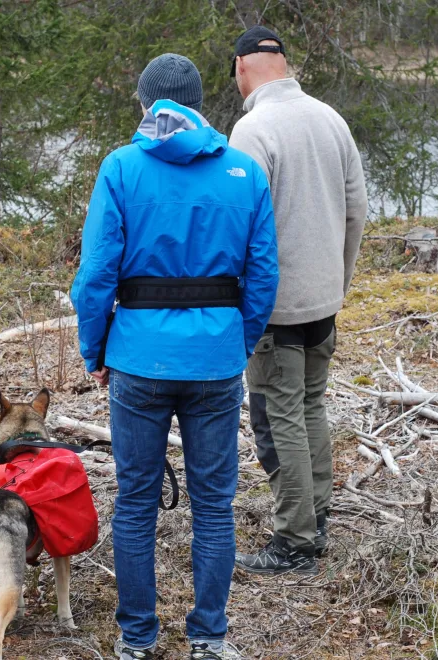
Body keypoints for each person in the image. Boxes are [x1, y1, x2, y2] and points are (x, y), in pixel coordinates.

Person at [71, 53, 279, 660]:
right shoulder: (243, 171)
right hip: (215, 361)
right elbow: (263, 276)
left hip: (137, 359)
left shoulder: (121, 169)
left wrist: (94, 347)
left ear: (146, 104)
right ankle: (208, 640)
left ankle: (137, 641)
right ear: (198, 101)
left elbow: (95, 276)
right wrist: (235, 342)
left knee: (135, 500)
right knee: (214, 504)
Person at [228, 26, 368, 575]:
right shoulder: (330, 119)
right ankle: (317, 515)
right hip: (323, 300)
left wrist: (240, 302)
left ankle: (295, 539)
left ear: (241, 69)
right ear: (283, 64)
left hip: (275, 306)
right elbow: (357, 210)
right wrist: (338, 280)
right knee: (310, 406)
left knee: (278, 414)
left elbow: (240, 228)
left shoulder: (253, 129)